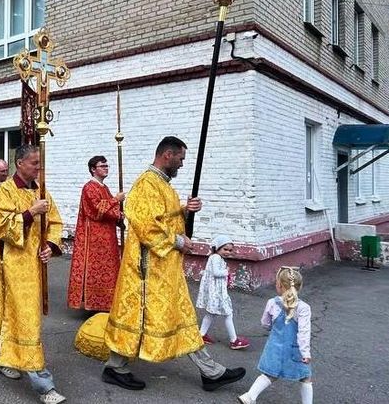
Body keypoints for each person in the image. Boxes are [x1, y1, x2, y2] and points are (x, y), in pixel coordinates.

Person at [102, 136, 245, 392]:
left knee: (177, 315)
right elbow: (147, 226)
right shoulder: (147, 183)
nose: (181, 164)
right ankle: (115, 367)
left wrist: (185, 210)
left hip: (163, 266)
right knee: (142, 316)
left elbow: (163, 216)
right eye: (180, 158)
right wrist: (181, 241)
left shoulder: (163, 184)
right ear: (167, 155)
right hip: (147, 268)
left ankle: (209, 372)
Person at [0, 144, 66, 404]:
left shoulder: (41, 191)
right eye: (34, 163)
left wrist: (49, 247)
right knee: (26, 319)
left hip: (34, 264)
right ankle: (44, 385)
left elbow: (55, 222)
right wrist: (30, 213)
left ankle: (0, 357)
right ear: (19, 163)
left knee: (15, 316)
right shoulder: (5, 191)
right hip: (13, 266)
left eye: (39, 163)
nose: (38, 168)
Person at [237, 267, 313, 404]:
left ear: (279, 285)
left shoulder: (272, 303)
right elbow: (304, 332)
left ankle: (249, 396)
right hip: (295, 350)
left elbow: (265, 324)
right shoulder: (303, 308)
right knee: (305, 377)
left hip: (275, 347)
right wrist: (305, 352)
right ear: (299, 286)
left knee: (270, 374)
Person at [67, 155, 125, 312]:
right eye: (102, 166)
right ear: (93, 169)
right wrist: (116, 200)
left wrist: (120, 216)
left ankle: (106, 303)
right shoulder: (89, 187)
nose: (106, 168)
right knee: (95, 270)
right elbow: (96, 210)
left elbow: (110, 212)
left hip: (108, 236)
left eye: (107, 166)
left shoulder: (104, 188)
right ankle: (93, 303)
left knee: (109, 268)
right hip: (94, 238)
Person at [197, 235, 250, 349]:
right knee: (228, 313)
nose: (227, 252)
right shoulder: (216, 257)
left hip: (216, 291)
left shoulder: (216, 258)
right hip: (217, 293)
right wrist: (226, 272)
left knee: (211, 313)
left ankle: (201, 334)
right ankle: (234, 340)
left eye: (230, 250)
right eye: (225, 249)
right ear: (217, 248)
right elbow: (216, 273)